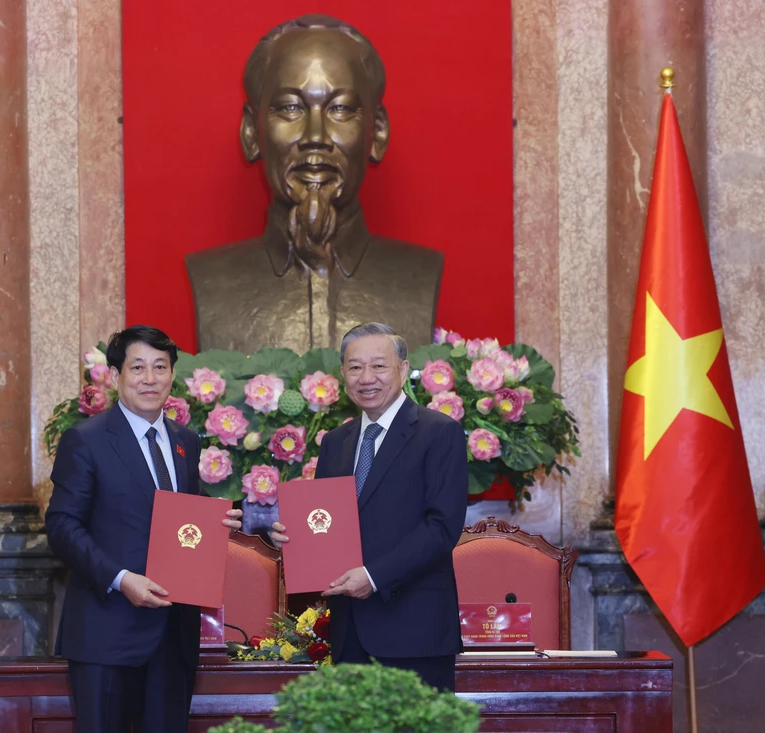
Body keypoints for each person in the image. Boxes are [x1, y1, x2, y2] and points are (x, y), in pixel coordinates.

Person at [186, 15, 443, 354]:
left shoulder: (418, 274)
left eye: (340, 109)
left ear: (377, 132)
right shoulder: (213, 278)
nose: (316, 137)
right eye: (291, 108)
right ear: (251, 132)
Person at [46, 325, 242, 733]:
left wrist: (219, 520)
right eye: (138, 368)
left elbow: (181, 518)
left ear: (173, 376)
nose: (149, 378)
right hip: (107, 631)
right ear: (116, 376)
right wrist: (120, 579)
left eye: (160, 367)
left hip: (174, 635)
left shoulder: (185, 440)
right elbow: (62, 526)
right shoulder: (86, 440)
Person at [271, 322, 469, 691]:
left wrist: (374, 577)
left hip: (415, 629)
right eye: (355, 367)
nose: (366, 377)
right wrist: (295, 536)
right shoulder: (336, 442)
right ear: (343, 374)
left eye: (379, 366)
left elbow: (442, 527)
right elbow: (326, 523)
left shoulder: (439, 432)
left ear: (403, 370)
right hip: (350, 632)